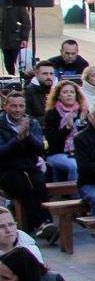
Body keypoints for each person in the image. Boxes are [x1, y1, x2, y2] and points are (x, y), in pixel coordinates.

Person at [0, 91, 53, 239]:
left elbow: (40, 148)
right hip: (8, 169)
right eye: (13, 106)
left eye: (21, 106)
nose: (17, 110)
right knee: (24, 187)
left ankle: (45, 222)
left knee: (40, 184)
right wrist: (17, 138)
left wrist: (27, 135)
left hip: (30, 166)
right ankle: (41, 223)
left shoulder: (32, 123)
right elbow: (2, 152)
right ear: (5, 106)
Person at [40, 80, 86, 182]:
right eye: (65, 92)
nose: (69, 94)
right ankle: (74, 196)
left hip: (80, 152)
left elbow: (88, 136)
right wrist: (67, 128)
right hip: (57, 153)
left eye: (72, 92)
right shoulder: (52, 113)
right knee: (75, 166)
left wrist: (83, 124)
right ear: (59, 96)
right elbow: (52, 141)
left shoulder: (82, 112)